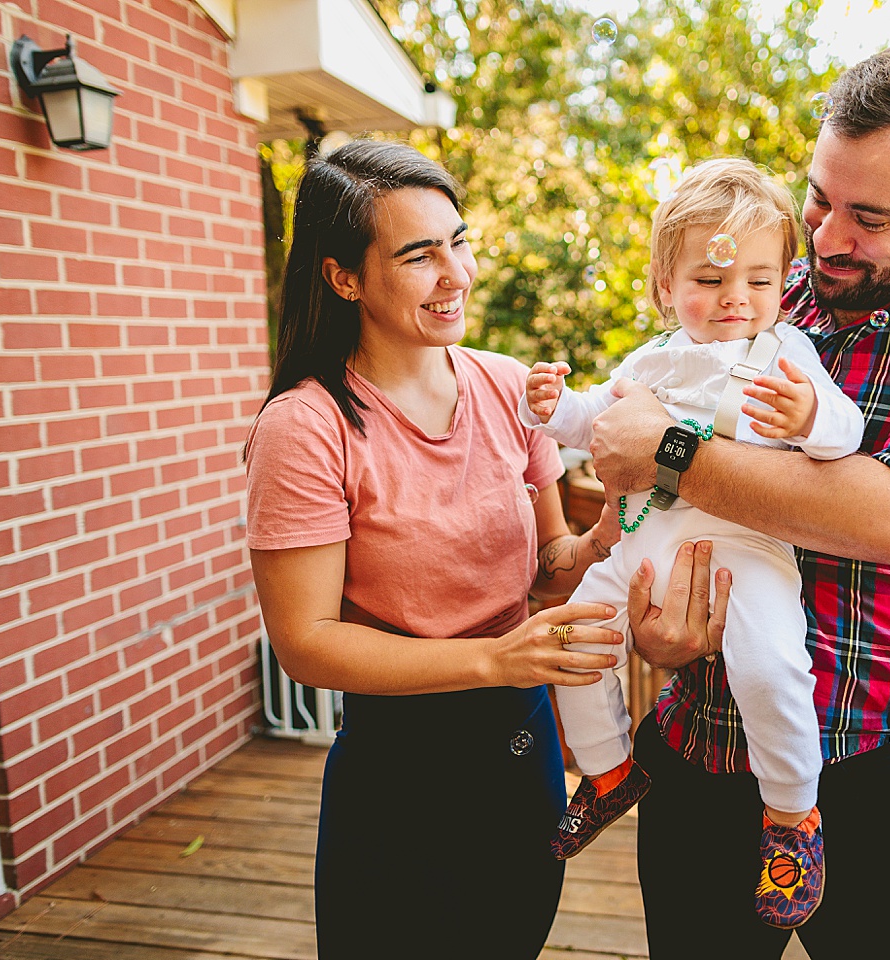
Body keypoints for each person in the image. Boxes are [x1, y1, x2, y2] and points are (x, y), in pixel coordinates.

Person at [587, 44, 890, 958]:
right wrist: (652, 625)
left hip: (888, 768)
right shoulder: (763, 289)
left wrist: (669, 450)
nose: (824, 237)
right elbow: (642, 466)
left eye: (869, 217)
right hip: (702, 741)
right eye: (818, 196)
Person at [243, 140, 626, 959]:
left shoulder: (505, 386)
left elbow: (552, 559)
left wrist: (607, 533)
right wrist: (494, 659)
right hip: (399, 776)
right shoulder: (307, 427)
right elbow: (306, 643)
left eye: (459, 241)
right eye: (420, 254)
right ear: (344, 276)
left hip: (524, 753)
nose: (456, 274)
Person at [519, 158, 865, 928]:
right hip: (648, 542)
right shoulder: (652, 361)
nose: (735, 297)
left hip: (748, 552)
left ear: (782, 282)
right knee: (571, 634)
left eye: (758, 279)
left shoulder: (787, 354)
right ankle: (609, 773)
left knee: (772, 668)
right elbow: (593, 426)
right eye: (709, 279)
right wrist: (552, 407)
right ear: (663, 287)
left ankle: (791, 819)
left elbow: (847, 434)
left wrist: (811, 418)